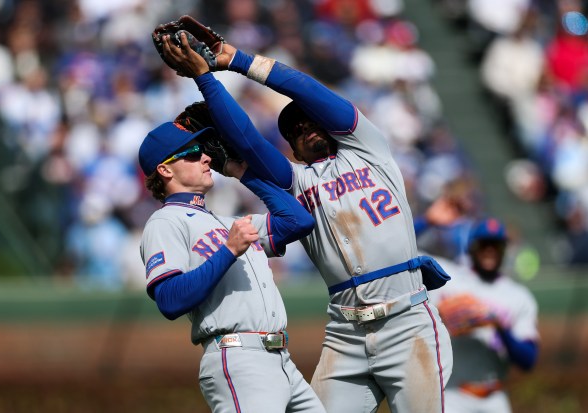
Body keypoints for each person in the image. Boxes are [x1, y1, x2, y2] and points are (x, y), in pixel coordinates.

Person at [163, 30, 452, 413]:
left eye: (309, 121)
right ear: (292, 148)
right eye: (294, 131)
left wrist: (235, 60)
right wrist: (206, 80)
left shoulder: (369, 149)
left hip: (407, 319)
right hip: (345, 333)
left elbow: (310, 91)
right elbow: (249, 143)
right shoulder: (295, 183)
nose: (305, 127)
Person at [137, 101, 326, 411]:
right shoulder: (164, 222)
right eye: (193, 153)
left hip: (281, 361)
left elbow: (298, 221)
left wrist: (239, 171)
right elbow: (169, 300)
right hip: (238, 359)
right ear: (165, 169)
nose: (206, 157)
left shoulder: (226, 223)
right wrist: (227, 251)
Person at [427, 218, 539, 413]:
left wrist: (499, 326)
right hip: (452, 394)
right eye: (484, 244)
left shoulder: (519, 296)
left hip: (494, 398)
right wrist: (427, 221)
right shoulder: (449, 278)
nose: (489, 250)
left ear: (504, 249)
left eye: (496, 245)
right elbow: (403, 253)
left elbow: (528, 360)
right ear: (471, 247)